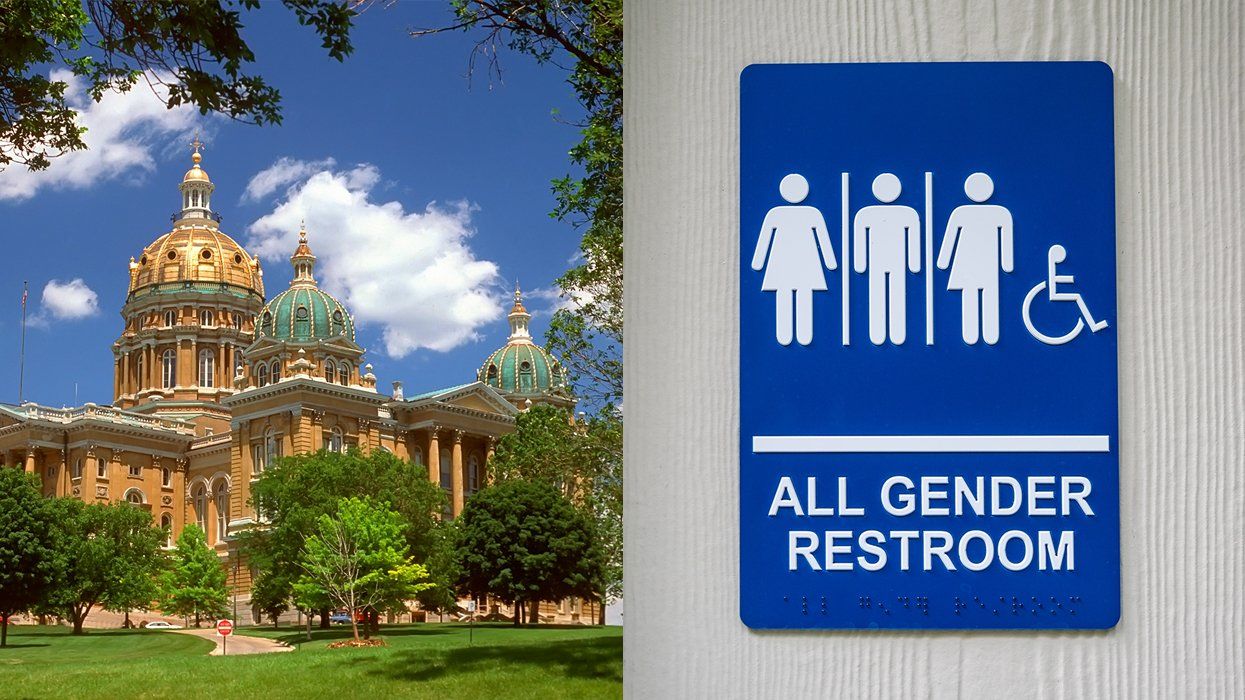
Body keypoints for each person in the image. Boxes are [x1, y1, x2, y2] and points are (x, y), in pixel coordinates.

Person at [752, 173, 838, 345]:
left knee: (794, 295)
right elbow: (823, 239)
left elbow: (822, 238)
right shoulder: (808, 213)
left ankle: (797, 335)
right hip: (796, 264)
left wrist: (758, 263)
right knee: (796, 295)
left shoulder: (780, 214)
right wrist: (830, 262)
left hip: (793, 264)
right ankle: (793, 335)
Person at [935, 172, 1013, 345]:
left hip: (975, 264)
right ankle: (984, 334)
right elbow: (950, 238)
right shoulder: (999, 213)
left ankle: (981, 334)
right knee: (985, 295)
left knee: (977, 295)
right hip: (978, 264)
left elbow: (950, 240)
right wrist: (1007, 264)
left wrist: (943, 262)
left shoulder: (963, 212)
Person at [853, 173, 921, 345]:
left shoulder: (907, 214)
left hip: (895, 261)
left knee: (893, 292)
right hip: (881, 261)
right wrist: (860, 263)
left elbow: (913, 238)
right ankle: (880, 332)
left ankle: (895, 332)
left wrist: (914, 263)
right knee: (882, 292)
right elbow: (860, 239)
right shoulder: (866, 214)